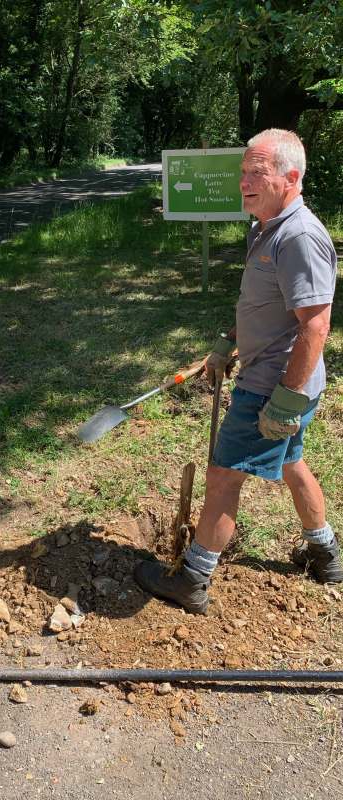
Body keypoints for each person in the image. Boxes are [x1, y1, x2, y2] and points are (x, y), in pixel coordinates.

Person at [134, 128, 342, 615]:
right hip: (277, 379)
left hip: (273, 387)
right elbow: (265, 305)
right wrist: (228, 342)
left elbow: (315, 327)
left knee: (224, 477)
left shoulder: (299, 236)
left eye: (258, 172)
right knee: (291, 464)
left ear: (290, 178)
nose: (244, 181)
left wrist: (285, 402)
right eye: (243, 172)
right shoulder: (265, 227)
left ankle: (193, 576)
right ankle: (326, 553)